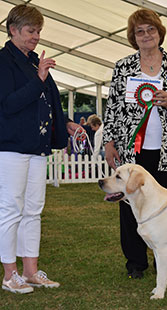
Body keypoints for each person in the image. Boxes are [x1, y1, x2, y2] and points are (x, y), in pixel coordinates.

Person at [103, 8, 167, 279]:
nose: (145, 35)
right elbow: (114, 108)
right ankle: (135, 262)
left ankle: (166, 260)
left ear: (159, 33)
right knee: (129, 206)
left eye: (150, 30)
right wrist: (110, 141)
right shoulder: (123, 66)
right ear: (133, 37)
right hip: (132, 151)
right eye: (139, 32)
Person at [0, 4, 83, 294]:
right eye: (30, 31)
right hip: (10, 147)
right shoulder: (3, 62)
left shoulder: (35, 60)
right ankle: (10, 274)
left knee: (33, 210)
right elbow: (8, 104)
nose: (36, 36)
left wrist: (68, 123)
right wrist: (39, 79)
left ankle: (30, 271)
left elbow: (47, 101)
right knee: (11, 209)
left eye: (38, 31)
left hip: (37, 146)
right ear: (13, 30)